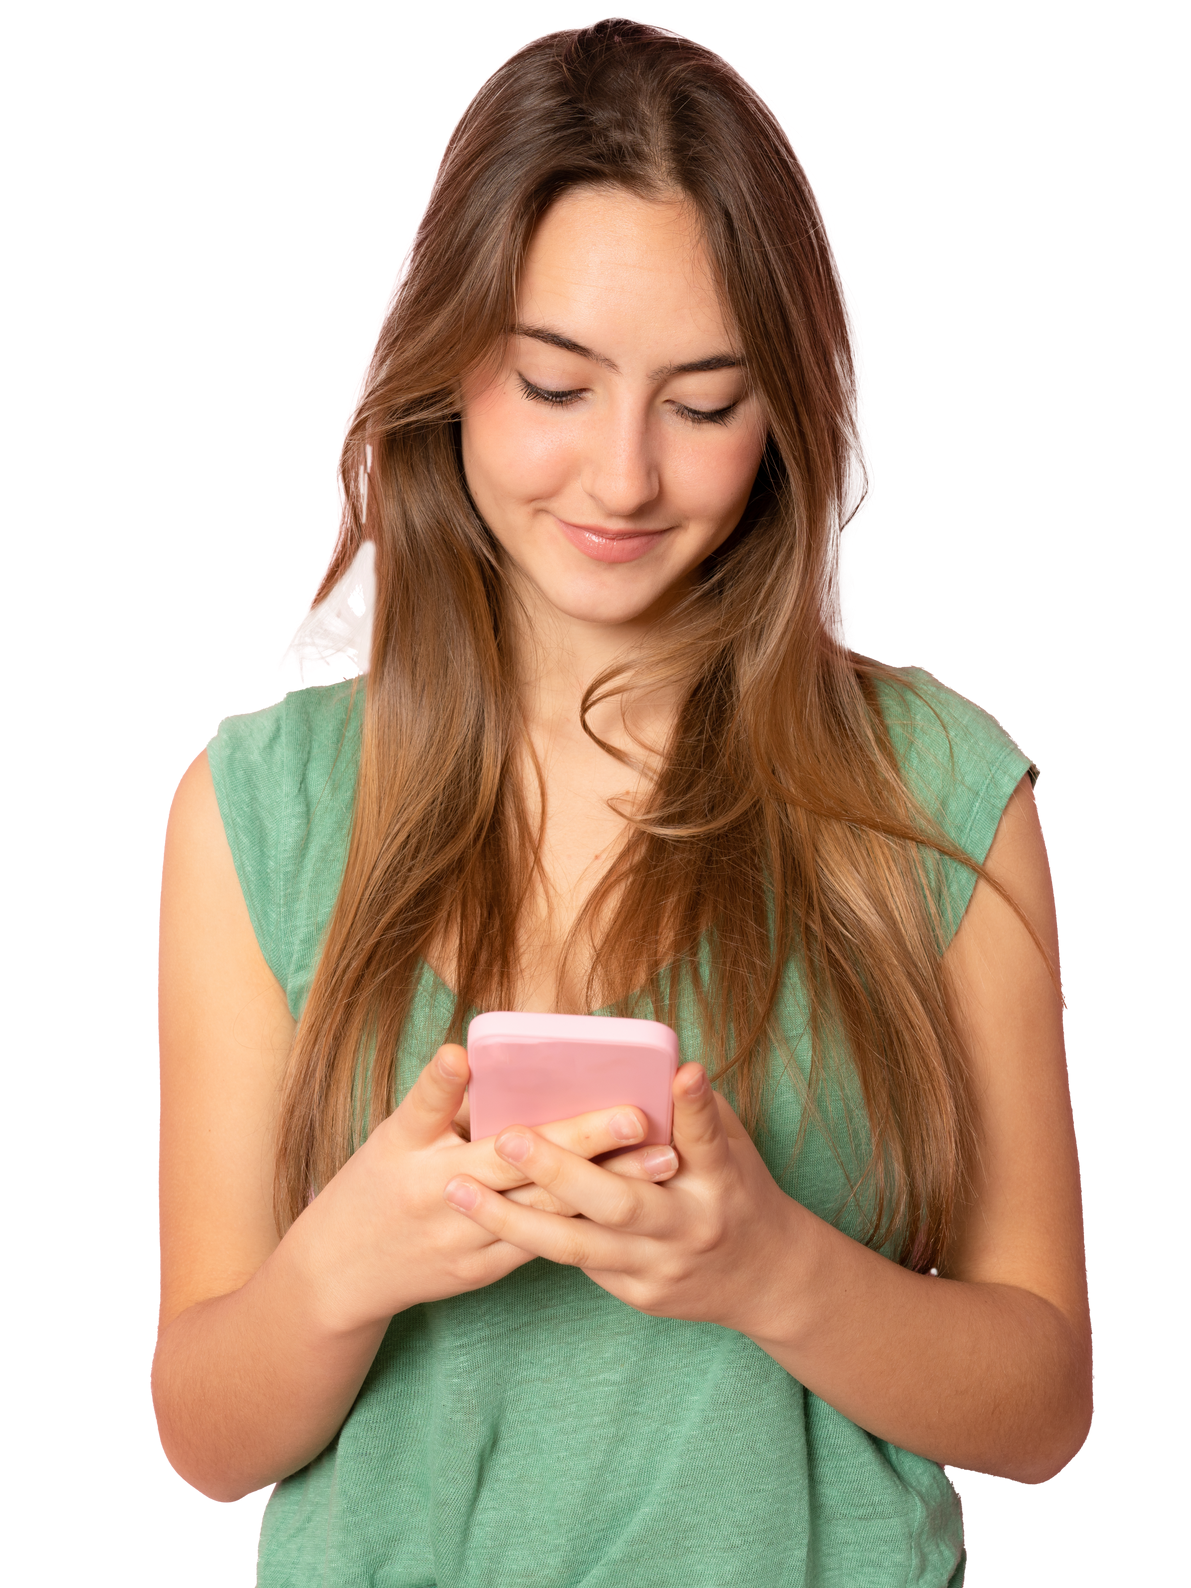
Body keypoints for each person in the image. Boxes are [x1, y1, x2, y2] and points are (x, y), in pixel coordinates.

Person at [152, 18, 1092, 1586]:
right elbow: (205, 1435)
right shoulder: (262, 805)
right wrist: (344, 1269)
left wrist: (770, 1267)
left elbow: (1040, 1404)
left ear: (786, 413)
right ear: (451, 364)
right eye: (555, 384)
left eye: (706, 402)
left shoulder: (935, 783)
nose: (623, 478)